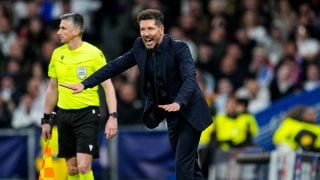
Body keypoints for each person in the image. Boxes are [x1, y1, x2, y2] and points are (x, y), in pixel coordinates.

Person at [61, 9, 212, 180]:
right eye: (142, 29)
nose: (146, 34)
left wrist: (179, 102)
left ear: (161, 29)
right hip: (171, 114)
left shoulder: (179, 48)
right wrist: (85, 83)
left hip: (190, 112)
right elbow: (115, 66)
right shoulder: (139, 46)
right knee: (191, 166)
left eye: (150, 29)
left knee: (182, 164)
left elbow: (190, 79)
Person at [41, 13, 118, 180]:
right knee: (72, 169)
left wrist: (113, 116)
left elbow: (108, 86)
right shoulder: (57, 54)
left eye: (63, 28)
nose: (58, 32)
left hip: (87, 115)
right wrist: (46, 120)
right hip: (64, 115)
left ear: (76, 31)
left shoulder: (94, 54)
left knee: (84, 166)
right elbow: (52, 89)